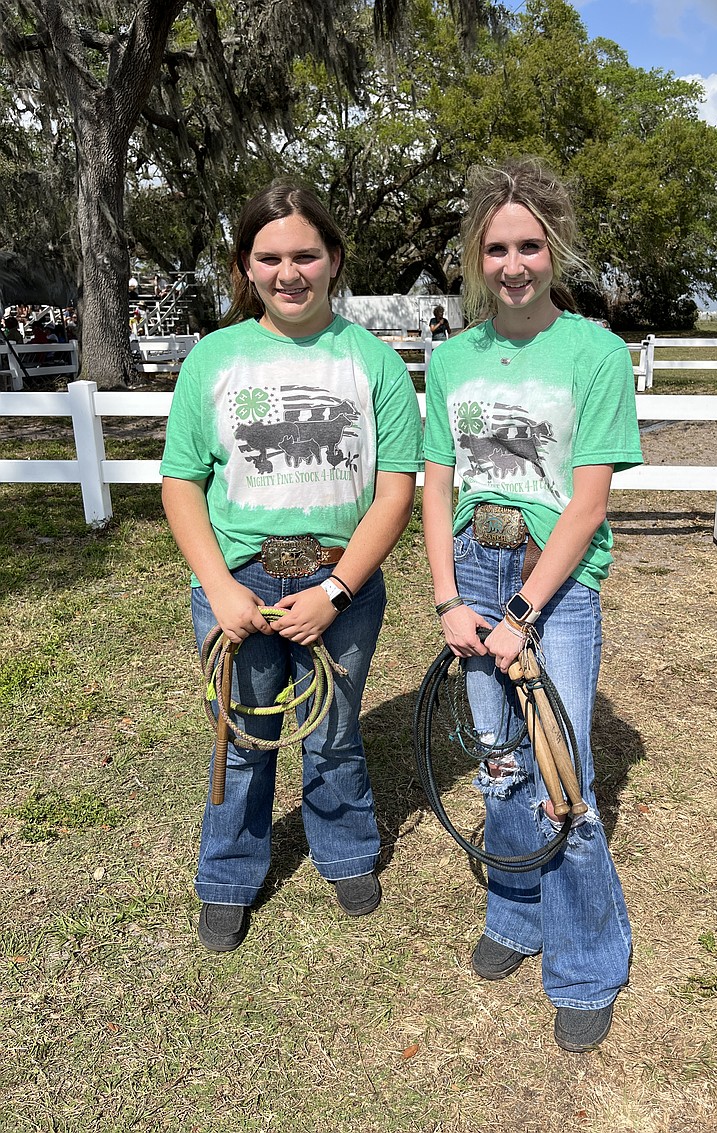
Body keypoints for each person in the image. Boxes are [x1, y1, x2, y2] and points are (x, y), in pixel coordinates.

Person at [160, 182, 424, 952]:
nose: (289, 272)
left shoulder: (372, 362)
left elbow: (395, 490)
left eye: (305, 254)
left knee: (335, 728)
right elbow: (181, 483)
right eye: (269, 257)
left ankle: (343, 847)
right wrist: (219, 587)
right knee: (242, 732)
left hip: (338, 582)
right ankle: (229, 872)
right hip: (239, 582)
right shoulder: (214, 358)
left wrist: (336, 592)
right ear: (246, 266)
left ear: (333, 258)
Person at [422, 156, 642, 1052]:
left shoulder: (593, 353)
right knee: (498, 760)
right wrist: (447, 595)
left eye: (531, 245)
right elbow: (436, 486)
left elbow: (586, 504)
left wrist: (522, 612)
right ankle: (516, 912)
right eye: (498, 247)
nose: (515, 263)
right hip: (472, 569)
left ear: (555, 249)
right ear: (478, 257)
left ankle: (588, 958)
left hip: (554, 581)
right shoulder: (450, 358)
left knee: (561, 775)